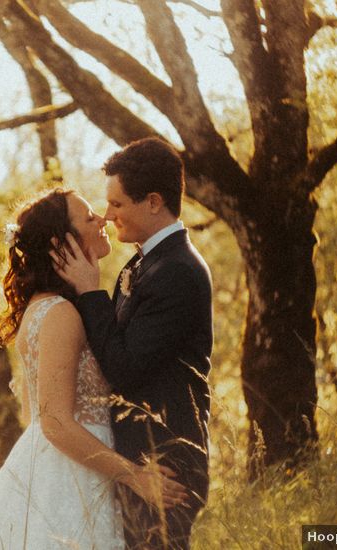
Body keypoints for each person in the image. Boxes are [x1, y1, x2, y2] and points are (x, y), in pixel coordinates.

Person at [0, 188, 188, 550]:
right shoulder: (59, 313)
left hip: (64, 466)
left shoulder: (46, 308)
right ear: (63, 243)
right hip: (72, 478)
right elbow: (54, 422)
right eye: (89, 217)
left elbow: (33, 414)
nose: (103, 220)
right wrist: (136, 477)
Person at [52, 138, 212, 550]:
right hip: (141, 464)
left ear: (154, 202)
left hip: (164, 467)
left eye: (118, 204)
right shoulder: (147, 262)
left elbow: (123, 367)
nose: (108, 215)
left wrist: (90, 292)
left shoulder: (176, 271)